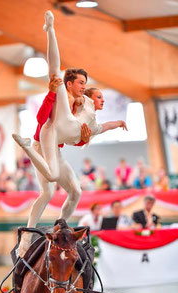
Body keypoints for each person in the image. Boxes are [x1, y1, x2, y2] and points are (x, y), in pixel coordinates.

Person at [13, 11, 127, 256]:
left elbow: (80, 134)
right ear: (69, 85)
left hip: (56, 147)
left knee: (75, 191)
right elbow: (41, 118)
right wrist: (50, 30)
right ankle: (26, 237)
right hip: (41, 143)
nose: (84, 87)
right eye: (81, 83)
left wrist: (92, 135)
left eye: (86, 84)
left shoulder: (84, 108)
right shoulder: (61, 96)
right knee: (49, 189)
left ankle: (59, 228)